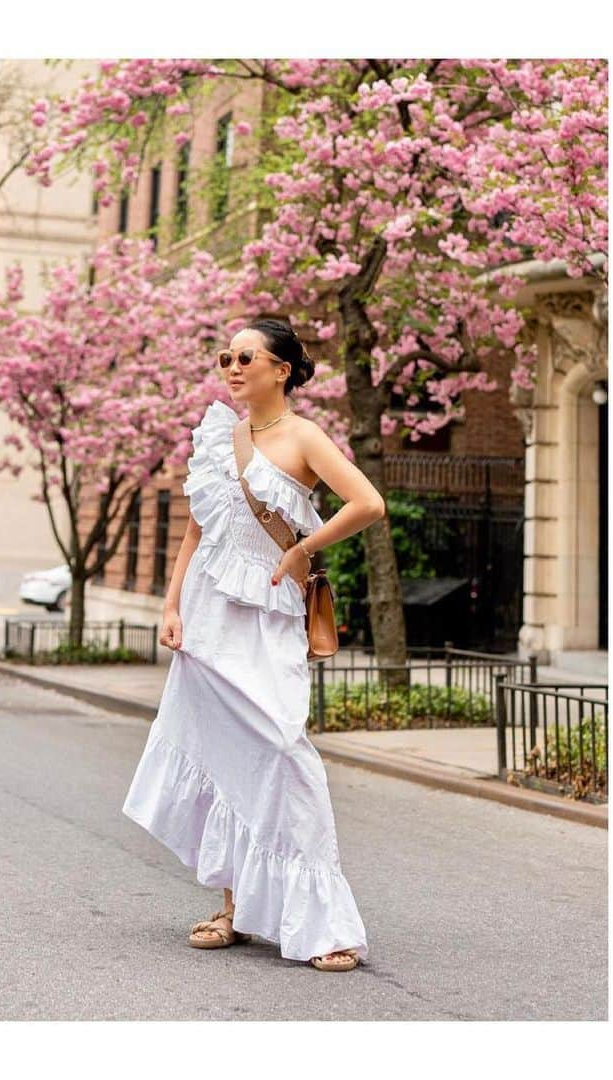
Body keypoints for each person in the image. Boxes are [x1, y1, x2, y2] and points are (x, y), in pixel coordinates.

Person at [122, 318, 386, 972]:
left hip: (267, 613)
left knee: (282, 749)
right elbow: (196, 530)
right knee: (220, 753)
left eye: (246, 357)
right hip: (209, 611)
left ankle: (323, 921)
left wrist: (302, 547)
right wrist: (171, 603)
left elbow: (368, 503)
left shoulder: (304, 437)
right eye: (225, 356)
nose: (232, 367)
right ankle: (235, 904)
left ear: (283, 369)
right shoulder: (219, 434)